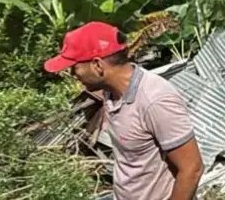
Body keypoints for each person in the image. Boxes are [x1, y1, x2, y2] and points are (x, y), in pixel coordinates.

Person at [44, 21, 203, 200]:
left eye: (75, 68)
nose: (73, 75)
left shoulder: (154, 100)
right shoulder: (110, 93)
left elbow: (192, 169)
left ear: (97, 65)